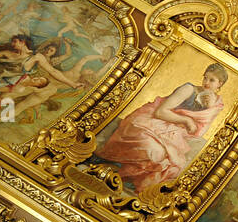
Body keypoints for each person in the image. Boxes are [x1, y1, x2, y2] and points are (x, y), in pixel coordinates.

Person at [91, 63, 229, 191]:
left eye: (212, 80)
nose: (206, 82)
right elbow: (160, 112)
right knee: (155, 152)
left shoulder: (216, 104)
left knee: (174, 164)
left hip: (172, 132)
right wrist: (186, 120)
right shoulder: (189, 90)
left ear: (220, 84)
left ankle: (127, 178)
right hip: (149, 121)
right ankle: (109, 165)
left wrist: (207, 107)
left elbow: (198, 130)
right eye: (205, 78)